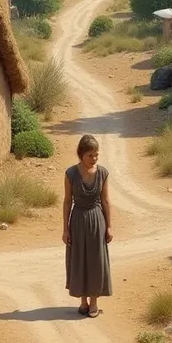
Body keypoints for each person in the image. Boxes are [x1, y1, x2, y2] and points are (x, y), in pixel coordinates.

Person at [63, 134, 113, 318]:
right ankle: (83, 302)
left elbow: (106, 200)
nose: (94, 159)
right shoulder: (70, 174)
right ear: (81, 154)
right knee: (80, 259)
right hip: (77, 220)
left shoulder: (103, 173)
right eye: (90, 155)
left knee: (96, 261)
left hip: (97, 220)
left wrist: (109, 226)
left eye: (96, 155)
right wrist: (65, 229)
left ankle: (94, 303)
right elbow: (67, 202)